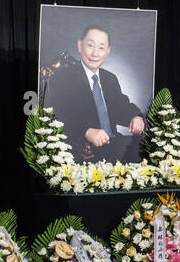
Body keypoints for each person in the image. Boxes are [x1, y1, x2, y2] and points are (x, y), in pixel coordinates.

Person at [44, 25, 145, 163]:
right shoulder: (63, 77)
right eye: (90, 45)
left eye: (101, 48)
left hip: (113, 143)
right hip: (81, 147)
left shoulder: (110, 78)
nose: (95, 54)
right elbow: (60, 113)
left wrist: (135, 117)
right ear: (80, 46)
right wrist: (86, 131)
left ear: (107, 51)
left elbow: (121, 106)